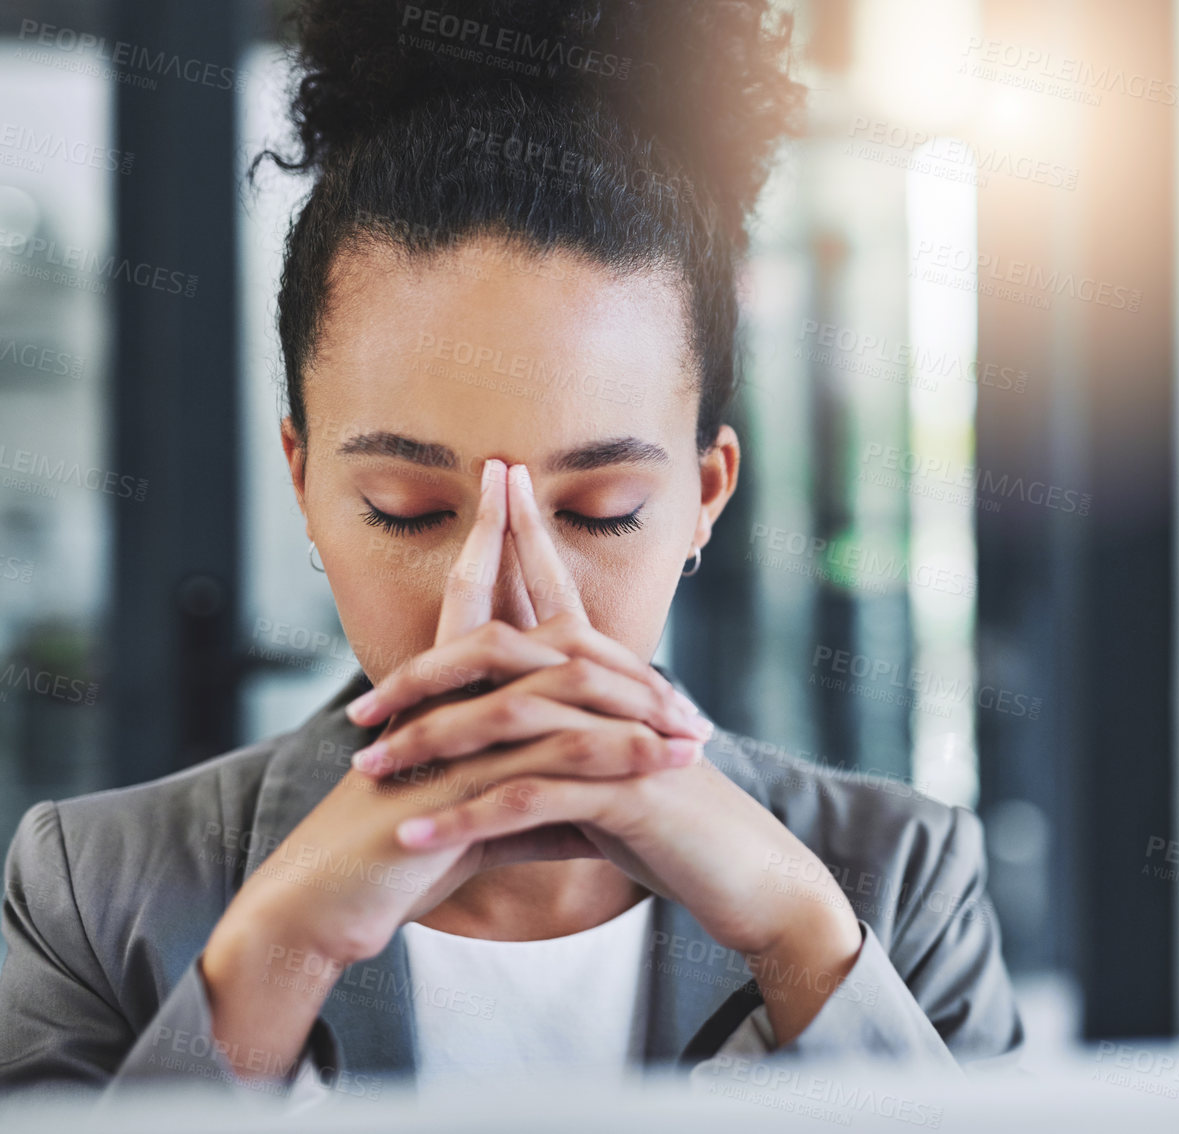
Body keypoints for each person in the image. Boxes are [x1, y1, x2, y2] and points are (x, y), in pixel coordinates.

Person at [0, 0, 1022, 1099]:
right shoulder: (94, 893)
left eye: (599, 509)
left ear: (706, 497)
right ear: (302, 480)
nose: (495, 613)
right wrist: (274, 955)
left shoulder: (901, 882)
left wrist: (800, 937)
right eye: (406, 508)